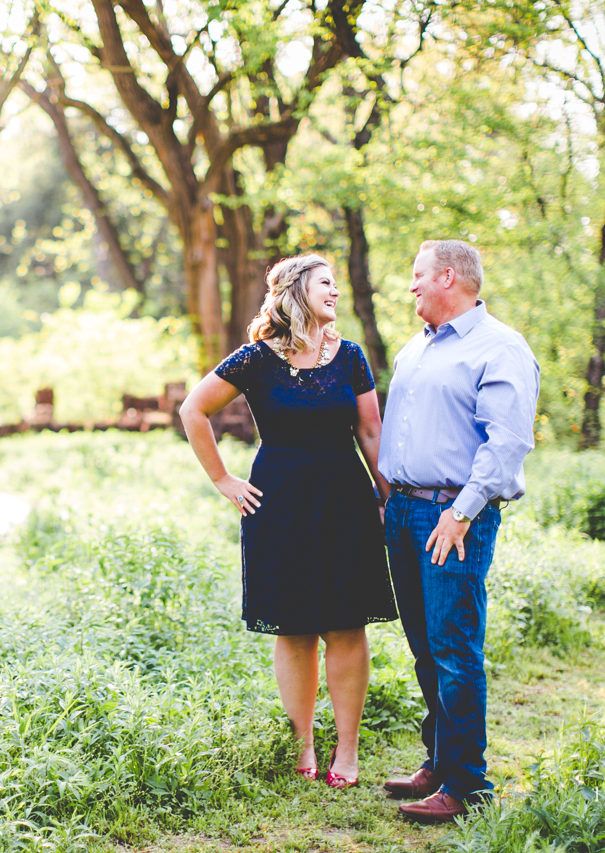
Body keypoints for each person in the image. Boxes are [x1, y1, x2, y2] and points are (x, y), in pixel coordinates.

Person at [180, 254, 398, 789]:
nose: (336, 292)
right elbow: (193, 410)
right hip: (279, 503)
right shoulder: (256, 358)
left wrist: (389, 498)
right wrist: (222, 479)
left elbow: (371, 432)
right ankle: (302, 743)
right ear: (297, 290)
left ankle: (347, 749)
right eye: (326, 283)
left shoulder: (350, 356)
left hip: (345, 500)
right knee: (295, 627)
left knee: (346, 624)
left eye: (336, 284)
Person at [377, 240, 540, 823]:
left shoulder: (501, 347)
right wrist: (389, 500)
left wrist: (463, 511)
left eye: (418, 275)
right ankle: (440, 761)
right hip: (404, 512)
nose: (412, 286)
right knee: (424, 647)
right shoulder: (415, 348)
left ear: (448, 277)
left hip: (454, 517)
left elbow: (508, 441)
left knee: (453, 647)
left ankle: (468, 786)